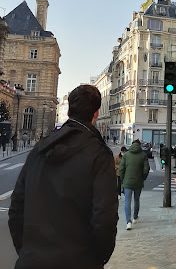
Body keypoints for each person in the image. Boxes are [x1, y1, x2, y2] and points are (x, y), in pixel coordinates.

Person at [8, 84, 118, 269]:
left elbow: (17, 208)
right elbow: (104, 218)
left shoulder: (40, 148)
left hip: (31, 261)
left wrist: (28, 251)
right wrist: (97, 258)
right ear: (96, 113)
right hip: (79, 260)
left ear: (69, 110)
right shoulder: (99, 154)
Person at [119, 139, 150, 230]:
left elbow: (121, 169)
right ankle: (135, 217)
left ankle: (128, 222)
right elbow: (146, 169)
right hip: (138, 182)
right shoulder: (143, 155)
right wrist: (143, 178)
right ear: (139, 145)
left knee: (127, 202)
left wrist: (123, 180)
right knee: (136, 199)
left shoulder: (126, 155)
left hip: (127, 182)